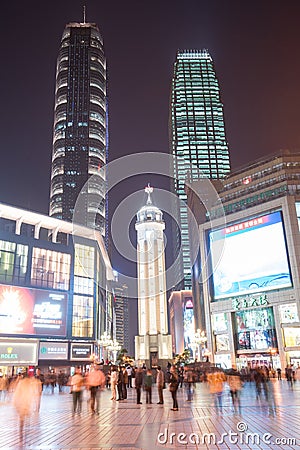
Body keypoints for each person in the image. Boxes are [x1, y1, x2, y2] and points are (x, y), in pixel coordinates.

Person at [12, 372, 40, 437]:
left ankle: (21, 430)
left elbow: (17, 393)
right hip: (27, 401)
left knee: (22, 417)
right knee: (26, 416)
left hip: (22, 401)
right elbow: (34, 392)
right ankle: (25, 429)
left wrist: (15, 402)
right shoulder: (29, 383)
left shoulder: (21, 383)